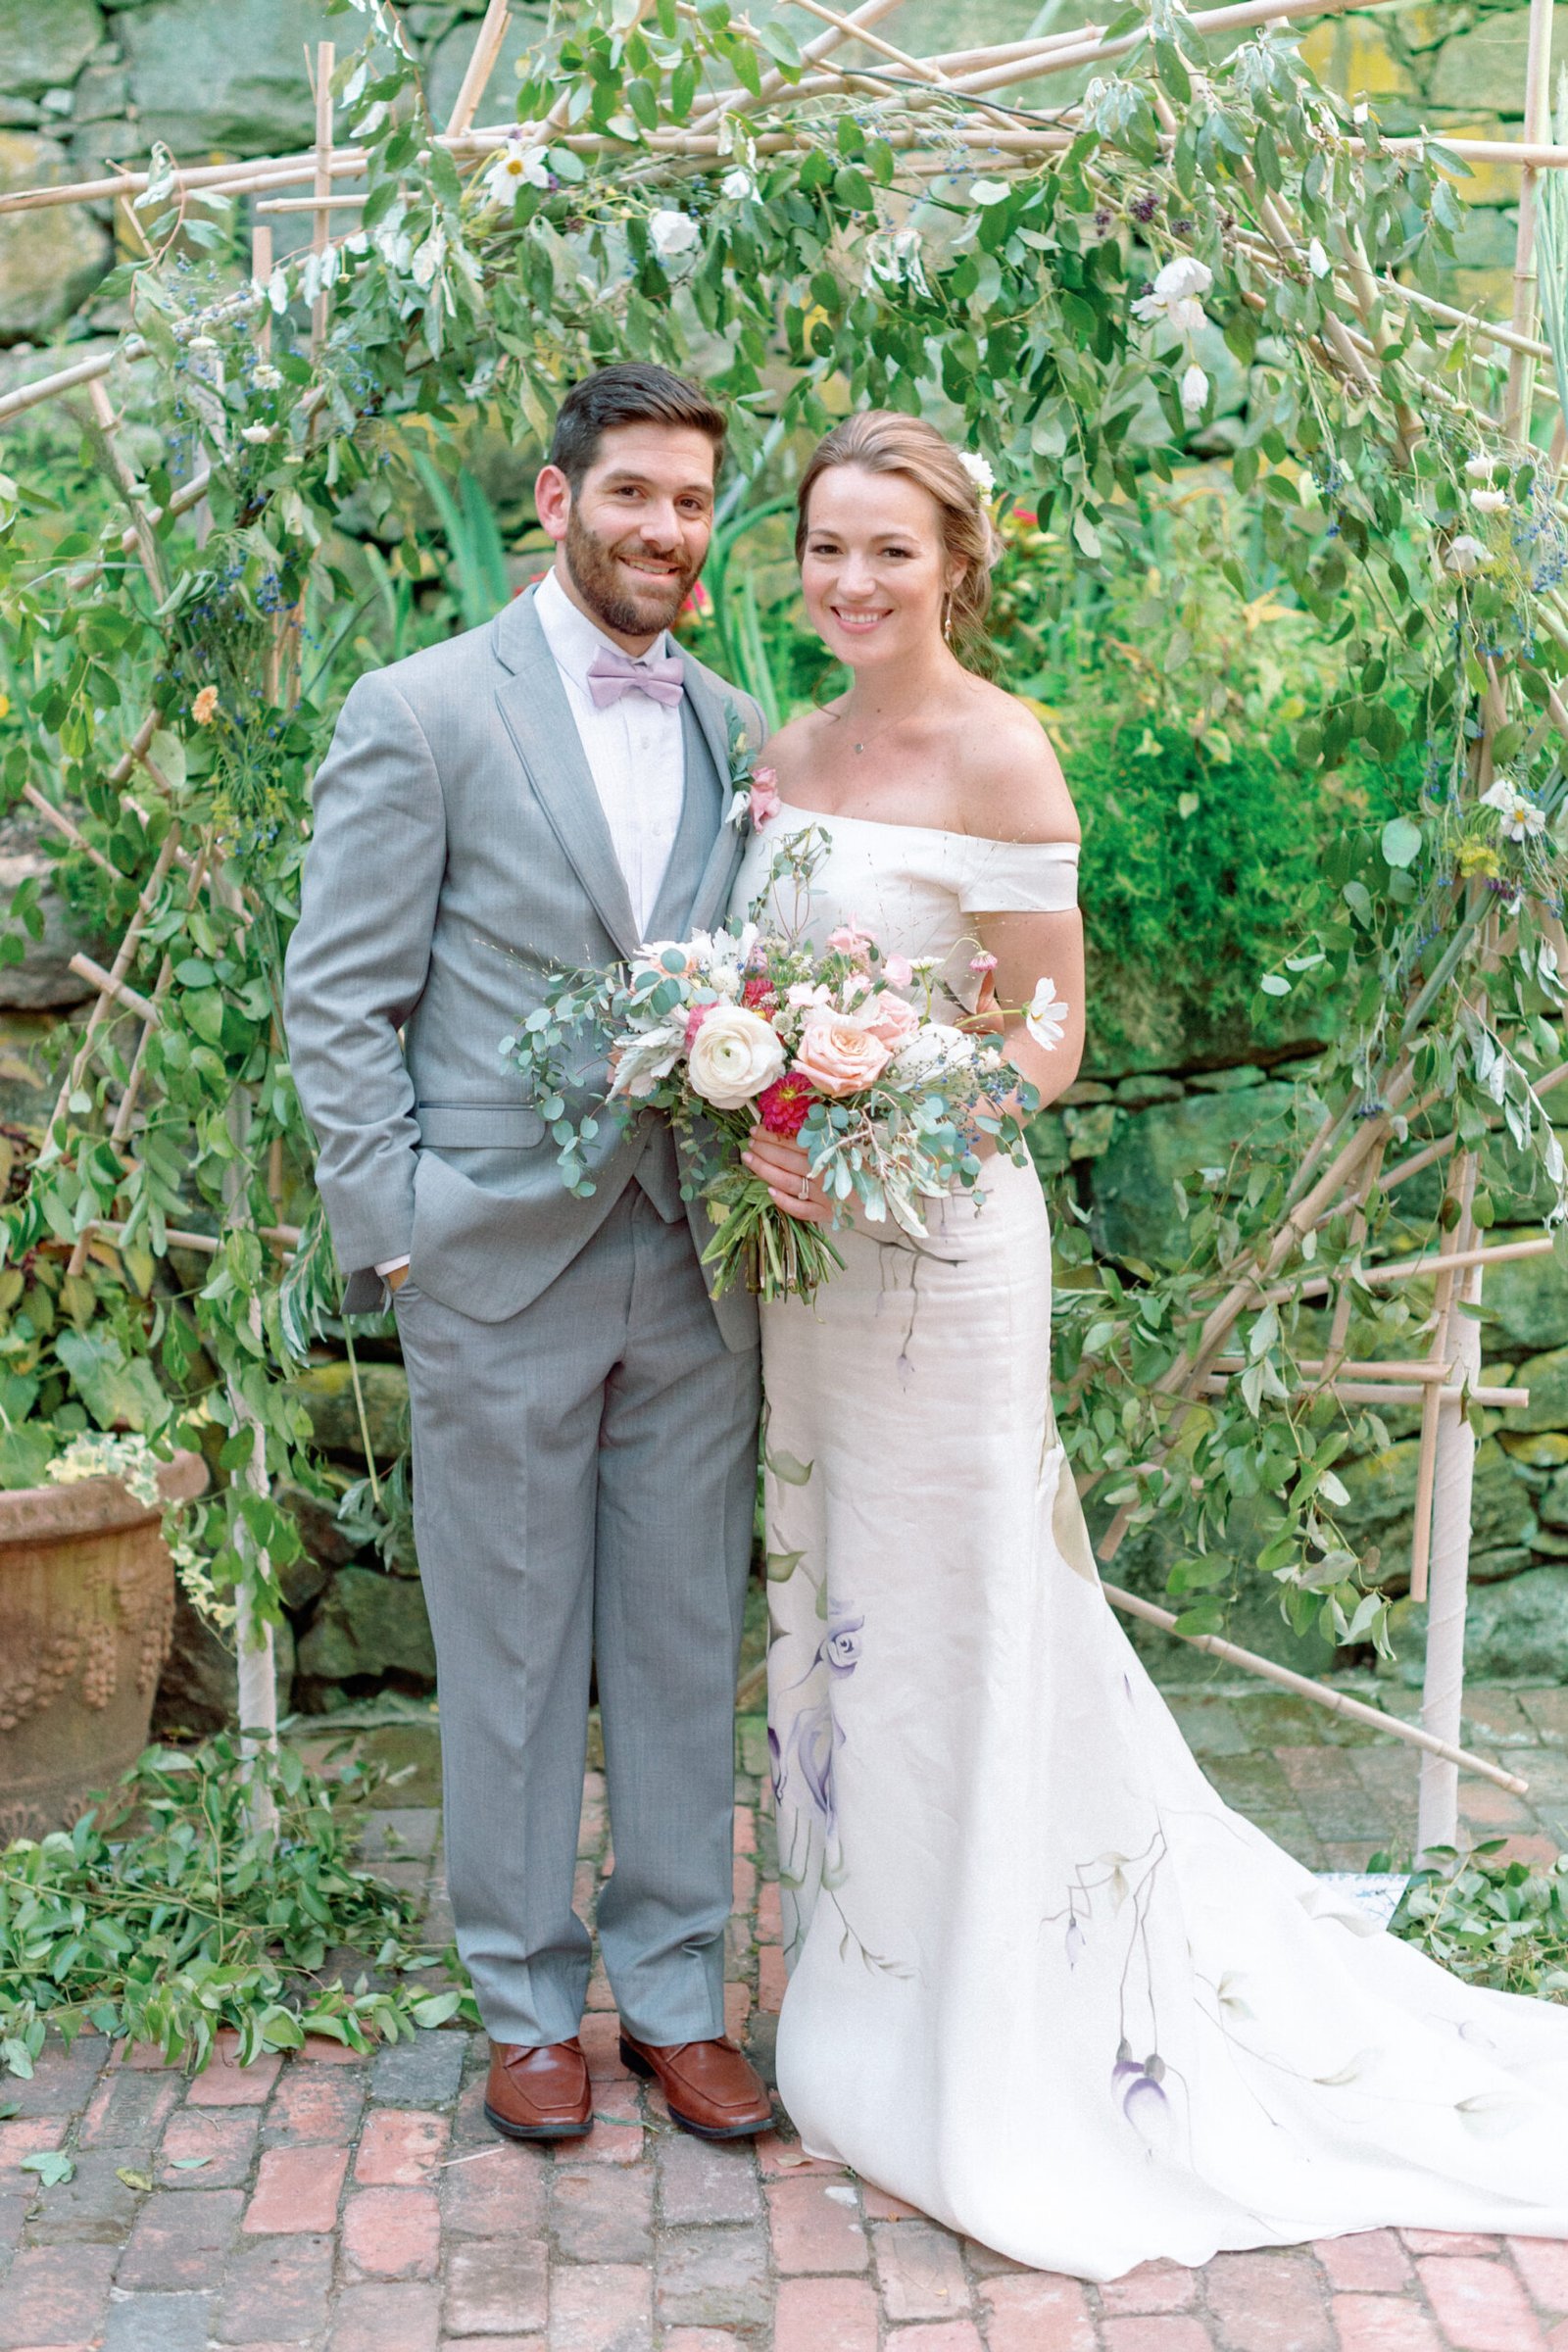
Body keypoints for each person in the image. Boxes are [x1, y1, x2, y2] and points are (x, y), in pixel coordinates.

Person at [733, 409, 1568, 2278]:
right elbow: (759, 999)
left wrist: (880, 1112)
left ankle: (997, 2021)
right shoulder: (781, 755)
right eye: (824, 546)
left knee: (966, 1602)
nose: (852, 581)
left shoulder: (1001, 752)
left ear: (959, 561)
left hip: (943, 1252)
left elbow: (1046, 1041)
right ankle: (868, 1982)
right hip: (813, 1274)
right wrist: (770, 1116)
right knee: (840, 1599)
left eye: (890, 549)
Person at [284, 364, 775, 2146]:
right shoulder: (421, 713)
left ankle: (674, 1995)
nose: (663, 528)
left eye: (692, 503)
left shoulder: (736, 720)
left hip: (691, 1261)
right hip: (490, 1262)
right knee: (503, 1645)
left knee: (672, 1637)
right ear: (558, 500)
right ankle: (522, 1999)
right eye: (632, 493)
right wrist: (398, 1238)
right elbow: (340, 1003)